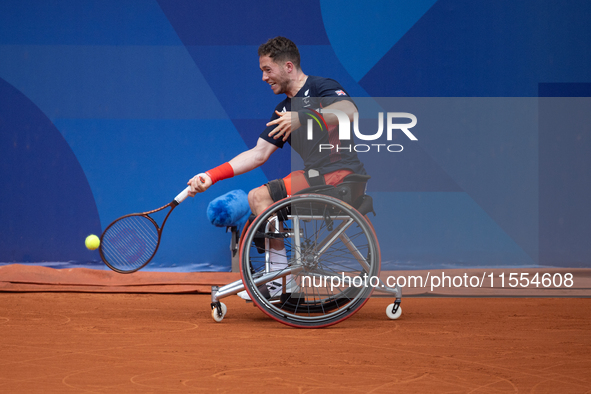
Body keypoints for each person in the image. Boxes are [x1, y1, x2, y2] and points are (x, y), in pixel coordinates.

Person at [187, 36, 367, 298]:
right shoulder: (283, 111)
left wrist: (304, 116)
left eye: (267, 70)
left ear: (289, 67)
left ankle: (280, 281)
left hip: (341, 179)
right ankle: (281, 277)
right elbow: (258, 154)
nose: (263, 77)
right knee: (259, 200)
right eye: (262, 71)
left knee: (260, 196)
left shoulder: (322, 87)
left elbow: (349, 111)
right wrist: (210, 176)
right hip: (316, 178)